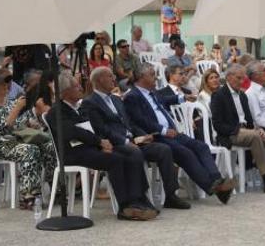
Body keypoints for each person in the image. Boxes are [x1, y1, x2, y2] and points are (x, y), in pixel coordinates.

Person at [48, 71, 158, 220]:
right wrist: (100, 142)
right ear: (66, 92)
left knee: (129, 154)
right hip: (73, 153)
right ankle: (124, 207)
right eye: (76, 86)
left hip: (90, 148)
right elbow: (74, 133)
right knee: (116, 159)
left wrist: (102, 143)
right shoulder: (57, 111)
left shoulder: (78, 108)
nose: (81, 88)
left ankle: (138, 198)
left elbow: (92, 129)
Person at [81, 67, 190, 210]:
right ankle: (139, 197)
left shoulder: (116, 99)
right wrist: (125, 141)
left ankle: (170, 195)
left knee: (164, 149)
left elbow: (129, 123)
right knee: (134, 153)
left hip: (134, 140)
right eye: (110, 76)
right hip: (115, 144)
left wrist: (142, 135)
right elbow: (101, 129)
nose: (114, 79)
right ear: (100, 80)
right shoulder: (90, 102)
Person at [123, 63, 234, 203]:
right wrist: (163, 131)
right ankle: (213, 187)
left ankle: (217, 180)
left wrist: (183, 98)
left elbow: (164, 100)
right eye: (152, 74)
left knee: (201, 146)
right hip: (155, 136)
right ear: (141, 77)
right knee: (185, 152)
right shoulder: (132, 96)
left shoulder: (152, 92)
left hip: (172, 133)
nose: (156, 77)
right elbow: (140, 120)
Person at [211, 65, 265, 194]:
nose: (241, 81)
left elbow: (250, 121)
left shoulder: (243, 96)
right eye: (238, 78)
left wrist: (258, 128)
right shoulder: (219, 95)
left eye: (243, 78)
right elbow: (218, 124)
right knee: (255, 137)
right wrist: (239, 130)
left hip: (248, 132)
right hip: (232, 134)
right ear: (228, 77)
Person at [0, 71, 55, 209]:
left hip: (17, 141)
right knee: (30, 150)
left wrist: (32, 114)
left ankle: (55, 188)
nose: (6, 87)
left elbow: (18, 125)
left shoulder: (9, 104)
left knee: (49, 146)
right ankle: (28, 196)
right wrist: (16, 109)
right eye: (2, 85)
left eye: (6, 84)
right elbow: (3, 131)